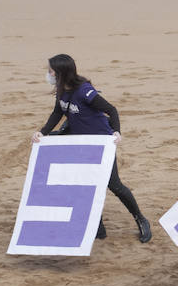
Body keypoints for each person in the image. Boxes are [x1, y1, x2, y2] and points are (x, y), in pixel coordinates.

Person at [34, 54, 152, 244]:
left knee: (114, 184)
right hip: (80, 143)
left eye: (50, 71)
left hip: (101, 143)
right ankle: (98, 227)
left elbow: (111, 110)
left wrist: (117, 132)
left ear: (61, 72)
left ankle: (141, 219)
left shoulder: (83, 91)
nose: (48, 74)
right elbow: (58, 112)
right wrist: (43, 132)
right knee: (85, 183)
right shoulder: (61, 89)